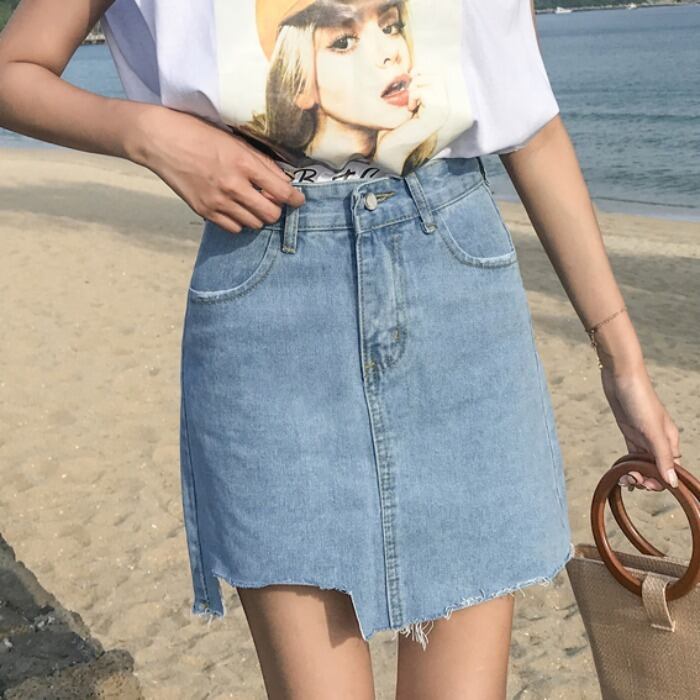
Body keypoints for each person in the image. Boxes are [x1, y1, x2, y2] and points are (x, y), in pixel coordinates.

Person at [0, 0, 683, 697]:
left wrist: (623, 363)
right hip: (270, 296)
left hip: (456, 292)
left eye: (391, 25)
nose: (387, 49)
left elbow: (529, 123)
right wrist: (148, 134)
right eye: (345, 39)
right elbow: (13, 70)